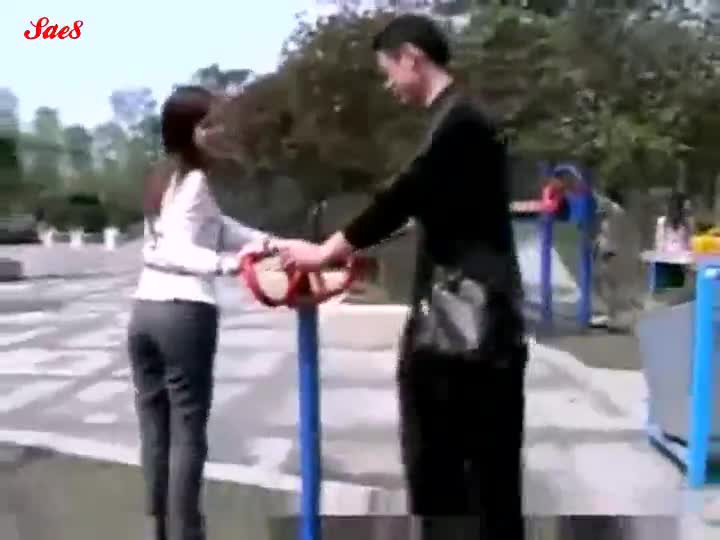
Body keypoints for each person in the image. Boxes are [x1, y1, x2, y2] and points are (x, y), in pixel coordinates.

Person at [268, 14, 527, 539]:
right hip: (483, 325)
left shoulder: (460, 123)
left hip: (463, 330)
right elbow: (434, 210)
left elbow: (405, 193)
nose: (389, 85)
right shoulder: (463, 120)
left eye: (388, 71)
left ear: (412, 58)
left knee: (448, 476)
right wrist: (357, 255)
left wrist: (328, 250)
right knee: (486, 478)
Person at [127, 86, 275, 540]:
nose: (220, 130)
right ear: (189, 130)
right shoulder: (194, 181)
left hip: (144, 312)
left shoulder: (164, 177)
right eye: (210, 123)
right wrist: (231, 265)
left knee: (155, 430)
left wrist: (269, 243)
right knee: (188, 432)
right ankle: (187, 532)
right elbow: (179, 249)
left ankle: (158, 528)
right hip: (183, 313)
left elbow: (218, 227)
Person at [591, 186, 633, 330]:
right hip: (608, 249)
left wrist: (591, 191)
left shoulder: (615, 209)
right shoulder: (615, 212)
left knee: (605, 282)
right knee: (606, 282)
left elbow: (604, 203)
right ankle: (610, 314)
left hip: (609, 251)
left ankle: (611, 315)